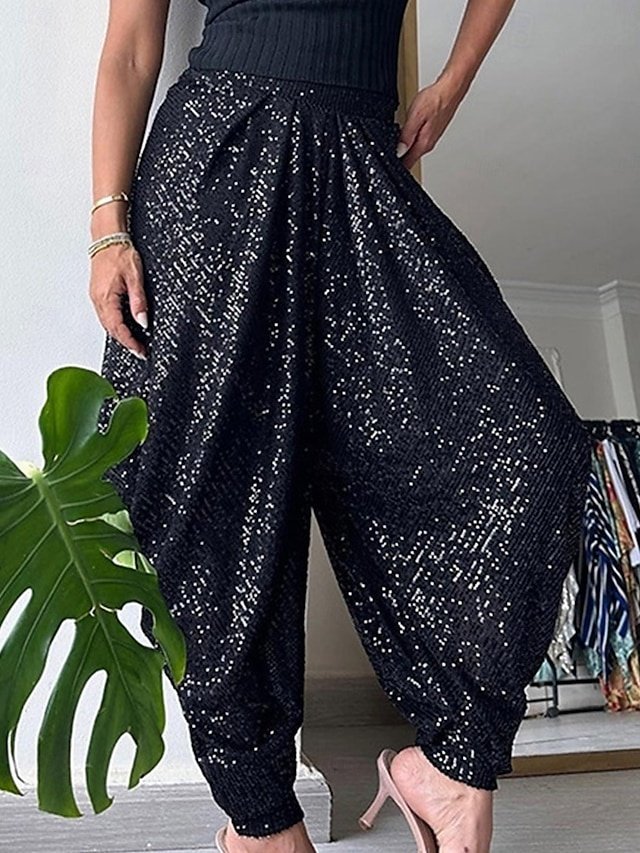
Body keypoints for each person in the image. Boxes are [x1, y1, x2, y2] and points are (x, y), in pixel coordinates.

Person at [89, 2, 592, 852]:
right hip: (217, 161)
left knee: (537, 446)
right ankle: (260, 819)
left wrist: (453, 82)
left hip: (365, 164)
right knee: (213, 503)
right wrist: (108, 225)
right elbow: (131, 50)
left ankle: (449, 768)